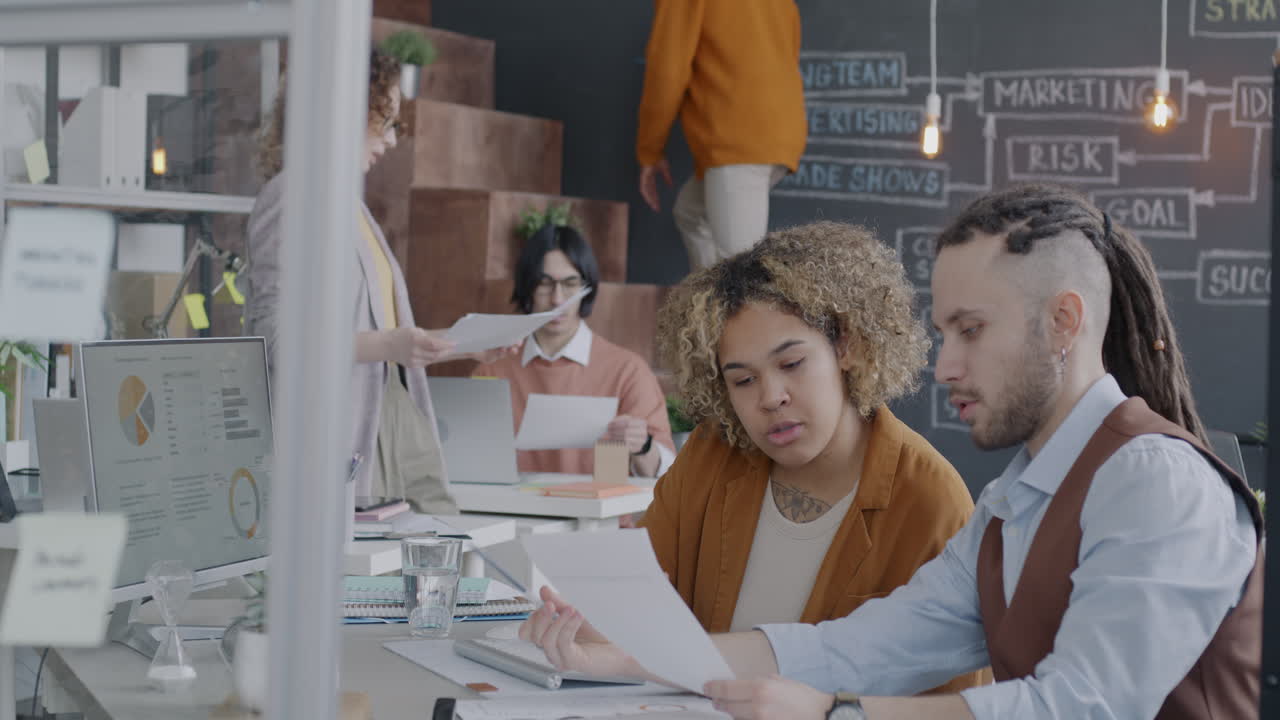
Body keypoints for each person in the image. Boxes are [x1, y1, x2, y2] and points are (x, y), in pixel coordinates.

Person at [521, 184, 1263, 720]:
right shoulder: (1015, 501)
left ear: (1064, 322)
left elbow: (1078, 706)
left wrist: (833, 715)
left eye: (970, 329)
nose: (943, 366)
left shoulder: (1157, 481)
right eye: (942, 334)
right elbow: (854, 647)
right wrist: (622, 657)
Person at [529, 221, 989, 693]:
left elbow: (953, 701)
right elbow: (637, 614)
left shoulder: (931, 498)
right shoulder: (712, 454)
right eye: (742, 380)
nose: (770, 398)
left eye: (791, 364)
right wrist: (582, 626)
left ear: (846, 345)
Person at [245, 51, 509, 511]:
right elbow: (274, 338)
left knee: (444, 548)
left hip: (389, 411)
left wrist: (459, 343)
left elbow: (375, 329)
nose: (390, 141)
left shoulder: (347, 203)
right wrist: (388, 346)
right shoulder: (291, 198)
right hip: (344, 425)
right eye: (385, 122)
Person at [473, 222, 674, 477]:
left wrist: (643, 446)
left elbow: (668, 475)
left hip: (601, 516)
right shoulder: (493, 369)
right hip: (514, 514)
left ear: (586, 288)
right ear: (527, 287)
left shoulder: (626, 370)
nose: (558, 299)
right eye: (545, 284)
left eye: (570, 284)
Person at [636, 0, 807, 272]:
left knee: (740, 274)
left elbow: (666, 71)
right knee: (691, 214)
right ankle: (709, 307)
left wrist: (650, 150)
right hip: (779, 135)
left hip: (738, 141)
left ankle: (725, 309)